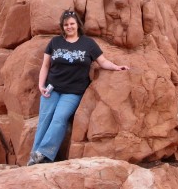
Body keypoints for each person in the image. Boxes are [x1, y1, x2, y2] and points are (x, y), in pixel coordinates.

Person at [27, 9, 129, 166]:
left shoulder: (88, 43)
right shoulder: (55, 42)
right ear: (63, 26)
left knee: (59, 119)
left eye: (72, 24)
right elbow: (45, 65)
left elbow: (102, 62)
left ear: (77, 25)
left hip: (73, 92)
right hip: (52, 88)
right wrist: (41, 85)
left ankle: (44, 153)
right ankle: (34, 157)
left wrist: (116, 67)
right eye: (66, 24)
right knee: (44, 120)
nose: (69, 27)